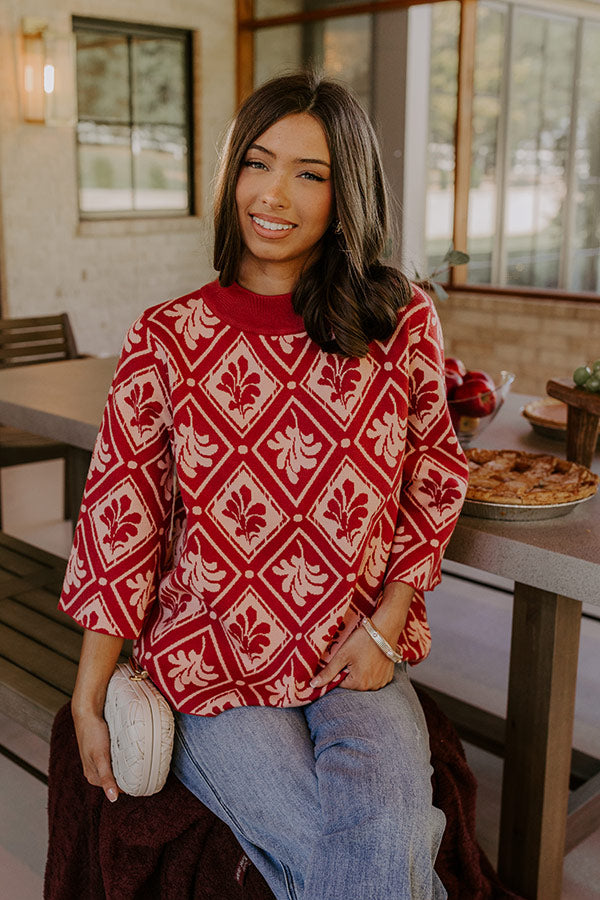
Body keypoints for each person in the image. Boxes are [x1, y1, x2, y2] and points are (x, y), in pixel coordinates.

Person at [60, 71, 469, 900]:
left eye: (310, 173)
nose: (274, 193)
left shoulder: (399, 323)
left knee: (375, 839)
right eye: (257, 162)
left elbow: (435, 475)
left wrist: (388, 624)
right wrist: (88, 690)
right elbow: (121, 514)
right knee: (358, 852)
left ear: (346, 190)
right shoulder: (167, 337)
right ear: (231, 175)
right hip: (210, 663)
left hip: (357, 652)